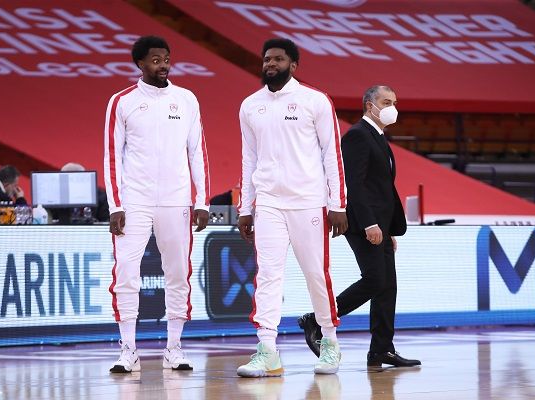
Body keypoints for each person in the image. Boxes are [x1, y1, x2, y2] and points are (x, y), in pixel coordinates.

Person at [236, 38, 348, 378]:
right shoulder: (250, 105)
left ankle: (329, 341)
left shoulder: (315, 100)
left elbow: (332, 154)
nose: (271, 64)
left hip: (308, 202)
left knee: (316, 274)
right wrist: (245, 208)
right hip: (269, 203)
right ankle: (267, 350)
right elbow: (249, 159)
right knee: (267, 275)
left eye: (278, 59)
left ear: (293, 65)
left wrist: (338, 204)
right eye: (266, 59)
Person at [104, 35, 210, 373]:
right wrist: (115, 205)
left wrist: (202, 200)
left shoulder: (186, 99)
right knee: (126, 273)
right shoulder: (122, 102)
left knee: (178, 273)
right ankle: (128, 350)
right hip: (134, 200)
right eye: (155, 60)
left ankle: (174, 347)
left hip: (177, 200)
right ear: (140, 63)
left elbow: (198, 152)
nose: (163, 65)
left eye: (166, 59)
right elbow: (111, 157)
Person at [298, 85, 421, 369]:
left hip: (380, 226)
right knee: (375, 280)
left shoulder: (378, 137)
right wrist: (370, 223)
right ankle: (317, 320)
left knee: (387, 287)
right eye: (386, 102)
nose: (392, 108)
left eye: (394, 102)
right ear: (369, 105)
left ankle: (381, 350)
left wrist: (388, 229)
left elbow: (382, 187)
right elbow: (354, 184)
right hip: (363, 224)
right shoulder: (357, 136)